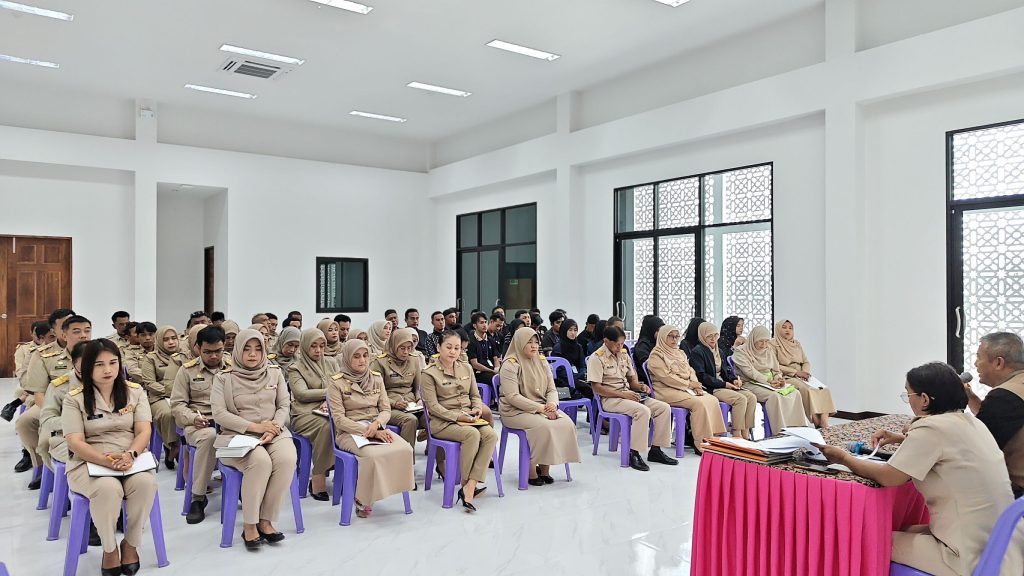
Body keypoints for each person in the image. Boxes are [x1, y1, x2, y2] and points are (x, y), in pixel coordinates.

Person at [817, 362, 1023, 576]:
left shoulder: (931, 428)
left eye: (908, 394)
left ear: (924, 399)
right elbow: (945, 447)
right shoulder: (971, 423)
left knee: (869, 540)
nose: (908, 400)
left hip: (966, 556)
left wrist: (844, 458)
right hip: (1001, 544)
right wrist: (903, 438)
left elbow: (889, 477)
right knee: (907, 528)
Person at [63, 339, 157, 575]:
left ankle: (131, 544)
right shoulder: (74, 398)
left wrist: (130, 454)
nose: (108, 370)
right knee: (107, 489)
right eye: (99, 364)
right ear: (87, 368)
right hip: (87, 462)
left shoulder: (135, 392)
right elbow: (75, 441)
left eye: (113, 363)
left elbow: (144, 431)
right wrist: (105, 461)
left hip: (130, 458)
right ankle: (109, 548)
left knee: (146, 484)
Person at [212, 328, 297, 550]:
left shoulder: (275, 373)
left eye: (258, 349)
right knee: (260, 462)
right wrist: (255, 427)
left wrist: (274, 427)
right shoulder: (223, 378)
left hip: (274, 431)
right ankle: (249, 524)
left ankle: (265, 520)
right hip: (236, 436)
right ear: (238, 350)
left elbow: (284, 405)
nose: (252, 354)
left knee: (287, 459)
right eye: (247, 349)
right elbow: (219, 414)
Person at [328, 339, 415, 518]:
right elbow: (339, 420)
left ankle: (390, 489)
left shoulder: (376, 378)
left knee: (405, 449)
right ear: (347, 358)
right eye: (356, 356)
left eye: (365, 355)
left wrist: (376, 425)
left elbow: (386, 409)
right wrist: (368, 431)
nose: (362, 360)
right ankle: (363, 499)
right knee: (371, 456)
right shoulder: (336, 383)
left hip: (377, 427)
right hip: (349, 432)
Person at [417, 330, 496, 511]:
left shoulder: (466, 368)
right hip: (443, 422)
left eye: (457, 348)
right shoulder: (428, 373)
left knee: (490, 435)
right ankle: (465, 483)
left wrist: (477, 408)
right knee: (471, 435)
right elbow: (433, 407)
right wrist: (458, 417)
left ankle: (470, 485)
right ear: (439, 347)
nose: (453, 352)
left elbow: (475, 395)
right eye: (449, 347)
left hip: (468, 417)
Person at [587, 326, 677, 471]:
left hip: (628, 395)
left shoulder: (624, 355)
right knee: (642, 411)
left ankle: (656, 450)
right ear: (606, 341)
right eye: (617, 344)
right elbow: (596, 388)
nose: (620, 347)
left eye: (622, 343)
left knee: (663, 408)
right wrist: (624, 395)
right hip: (610, 399)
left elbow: (632, 382)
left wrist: (641, 387)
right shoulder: (596, 358)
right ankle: (634, 453)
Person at [498, 328, 581, 485]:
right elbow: (512, 397)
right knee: (544, 426)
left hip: (542, 407)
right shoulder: (510, 364)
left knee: (566, 423)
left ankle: (544, 470)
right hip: (514, 411)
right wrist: (542, 409)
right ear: (519, 343)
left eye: (536, 342)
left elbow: (551, 389)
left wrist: (552, 404)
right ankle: (530, 472)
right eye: (529, 342)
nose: (534, 346)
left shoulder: (542, 361)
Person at [171, 326, 230, 524]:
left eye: (218, 351)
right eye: (208, 352)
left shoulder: (233, 367)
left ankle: (241, 487)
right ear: (198, 348)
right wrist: (192, 418)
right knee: (210, 436)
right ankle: (198, 497)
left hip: (228, 422)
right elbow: (177, 405)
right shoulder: (186, 371)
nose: (214, 356)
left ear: (224, 346)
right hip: (198, 423)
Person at [17, 308, 79, 483]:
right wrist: (51, 414)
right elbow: (39, 392)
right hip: (52, 404)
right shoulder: (43, 354)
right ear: (54, 330)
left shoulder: (92, 349)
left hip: (85, 404)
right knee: (25, 422)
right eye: (65, 325)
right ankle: (41, 465)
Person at [646, 325, 727, 450]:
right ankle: (700, 443)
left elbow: (691, 370)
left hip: (685, 388)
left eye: (677, 336)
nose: (674, 340)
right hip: (665, 390)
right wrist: (689, 384)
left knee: (712, 399)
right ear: (662, 337)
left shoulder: (680, 353)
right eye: (671, 336)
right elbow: (667, 377)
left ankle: (714, 438)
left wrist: (696, 385)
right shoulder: (656, 355)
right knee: (698, 404)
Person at [968, 332, 1024, 497]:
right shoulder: (1012, 393)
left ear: (999, 362)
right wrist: (970, 397)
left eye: (979, 357)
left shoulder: (1004, 397)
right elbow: (1002, 421)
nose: (975, 364)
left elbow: (977, 446)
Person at [287, 328, 338, 502]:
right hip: (304, 414)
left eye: (322, 346)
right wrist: (330, 394)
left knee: (345, 424)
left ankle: (343, 474)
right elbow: (301, 394)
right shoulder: (295, 368)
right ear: (305, 346)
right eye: (313, 346)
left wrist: (330, 400)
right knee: (326, 427)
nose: (318, 350)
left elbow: (343, 384)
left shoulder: (331, 363)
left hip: (330, 409)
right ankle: (318, 478)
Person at [732, 326, 808, 429]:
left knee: (795, 393)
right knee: (775, 396)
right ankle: (780, 430)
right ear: (753, 339)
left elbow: (776, 370)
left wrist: (778, 379)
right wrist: (769, 381)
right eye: (760, 341)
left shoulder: (768, 350)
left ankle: (797, 429)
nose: (764, 345)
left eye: (766, 341)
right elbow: (750, 372)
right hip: (750, 383)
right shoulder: (741, 352)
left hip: (770, 383)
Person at [690, 322, 757, 438]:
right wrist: (724, 384)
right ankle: (737, 433)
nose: (713, 339)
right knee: (740, 399)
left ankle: (745, 432)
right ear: (702, 336)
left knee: (751, 397)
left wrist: (734, 380)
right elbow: (702, 376)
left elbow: (726, 372)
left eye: (715, 335)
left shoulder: (719, 351)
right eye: (709, 336)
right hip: (711, 387)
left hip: (724, 385)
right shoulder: (698, 351)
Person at [771, 319, 836, 428]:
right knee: (807, 390)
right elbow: (774, 365)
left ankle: (824, 422)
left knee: (823, 389)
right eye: (784, 327)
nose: (788, 330)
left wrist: (804, 372)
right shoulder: (773, 344)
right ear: (777, 329)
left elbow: (806, 361)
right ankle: (816, 422)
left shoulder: (796, 344)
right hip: (786, 376)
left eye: (790, 328)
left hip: (803, 375)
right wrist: (796, 372)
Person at [370, 328, 427, 451]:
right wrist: (394, 403)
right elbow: (375, 392)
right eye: (402, 348)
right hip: (388, 406)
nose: (406, 352)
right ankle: (406, 459)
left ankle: (439, 459)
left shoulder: (414, 359)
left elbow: (418, 387)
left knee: (433, 417)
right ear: (394, 346)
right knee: (410, 420)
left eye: (409, 348)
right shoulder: (380, 362)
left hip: (411, 405)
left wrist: (419, 400)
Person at [38, 340, 88, 471]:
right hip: (65, 436)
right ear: (73, 363)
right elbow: (47, 419)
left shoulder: (109, 382)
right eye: (84, 364)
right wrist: (76, 424)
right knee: (84, 459)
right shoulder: (59, 386)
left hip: (104, 434)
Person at [141, 325, 185, 469]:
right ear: (159, 341)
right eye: (166, 339)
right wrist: (171, 392)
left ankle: (184, 447)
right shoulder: (151, 358)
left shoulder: (184, 356)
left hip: (182, 395)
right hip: (159, 397)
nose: (171, 342)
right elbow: (149, 383)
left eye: (173, 338)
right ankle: (173, 446)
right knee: (169, 413)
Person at [2, 320, 53, 422]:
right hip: (30, 382)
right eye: (35, 333)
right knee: (29, 392)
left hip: (47, 384)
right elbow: (22, 372)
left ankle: (14, 405)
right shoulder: (25, 349)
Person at [554, 319, 591, 395]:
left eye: (575, 330)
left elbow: (582, 365)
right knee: (588, 389)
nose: (573, 333)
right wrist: (580, 376)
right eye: (570, 330)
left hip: (578, 377)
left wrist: (582, 374)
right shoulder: (558, 348)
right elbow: (560, 372)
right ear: (564, 330)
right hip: (563, 381)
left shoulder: (578, 347)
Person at [466, 312, 500, 385]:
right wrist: (492, 371)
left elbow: (495, 358)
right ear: (475, 325)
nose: (484, 325)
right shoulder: (471, 341)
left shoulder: (491, 340)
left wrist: (497, 368)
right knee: (494, 378)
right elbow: (475, 364)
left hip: (491, 370)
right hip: (478, 372)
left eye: (485, 322)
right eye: (481, 323)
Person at [631, 315, 663, 386]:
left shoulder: (658, 343)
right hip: (649, 378)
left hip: (659, 375)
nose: (661, 333)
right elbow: (647, 364)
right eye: (658, 330)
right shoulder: (642, 345)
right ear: (651, 330)